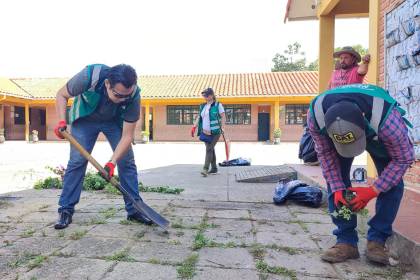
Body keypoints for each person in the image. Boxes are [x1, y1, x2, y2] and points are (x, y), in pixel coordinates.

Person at [308, 84, 414, 265]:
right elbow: (326, 156)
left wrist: (373, 190)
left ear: (364, 120)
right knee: (336, 181)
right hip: (340, 134)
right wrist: (338, 188)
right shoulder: (316, 116)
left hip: (378, 136)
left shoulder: (386, 119)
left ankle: (377, 241)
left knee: (393, 182)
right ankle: (346, 241)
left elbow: (404, 159)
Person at [53, 64, 152, 229]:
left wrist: (112, 162)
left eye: (126, 97)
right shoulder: (89, 76)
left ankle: (134, 209)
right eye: (118, 95)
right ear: (107, 84)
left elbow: (127, 136)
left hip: (113, 121)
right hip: (85, 119)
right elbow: (61, 95)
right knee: (77, 161)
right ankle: (66, 209)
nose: (123, 99)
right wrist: (62, 121)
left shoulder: (133, 95)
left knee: (126, 161)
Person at [190, 88, 226, 177]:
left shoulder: (218, 105)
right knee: (211, 150)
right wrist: (194, 126)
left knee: (209, 149)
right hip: (205, 132)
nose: (205, 97)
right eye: (204, 96)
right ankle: (214, 168)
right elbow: (199, 117)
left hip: (215, 132)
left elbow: (223, 117)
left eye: (206, 96)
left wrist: (223, 127)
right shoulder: (203, 106)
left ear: (211, 95)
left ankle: (205, 169)